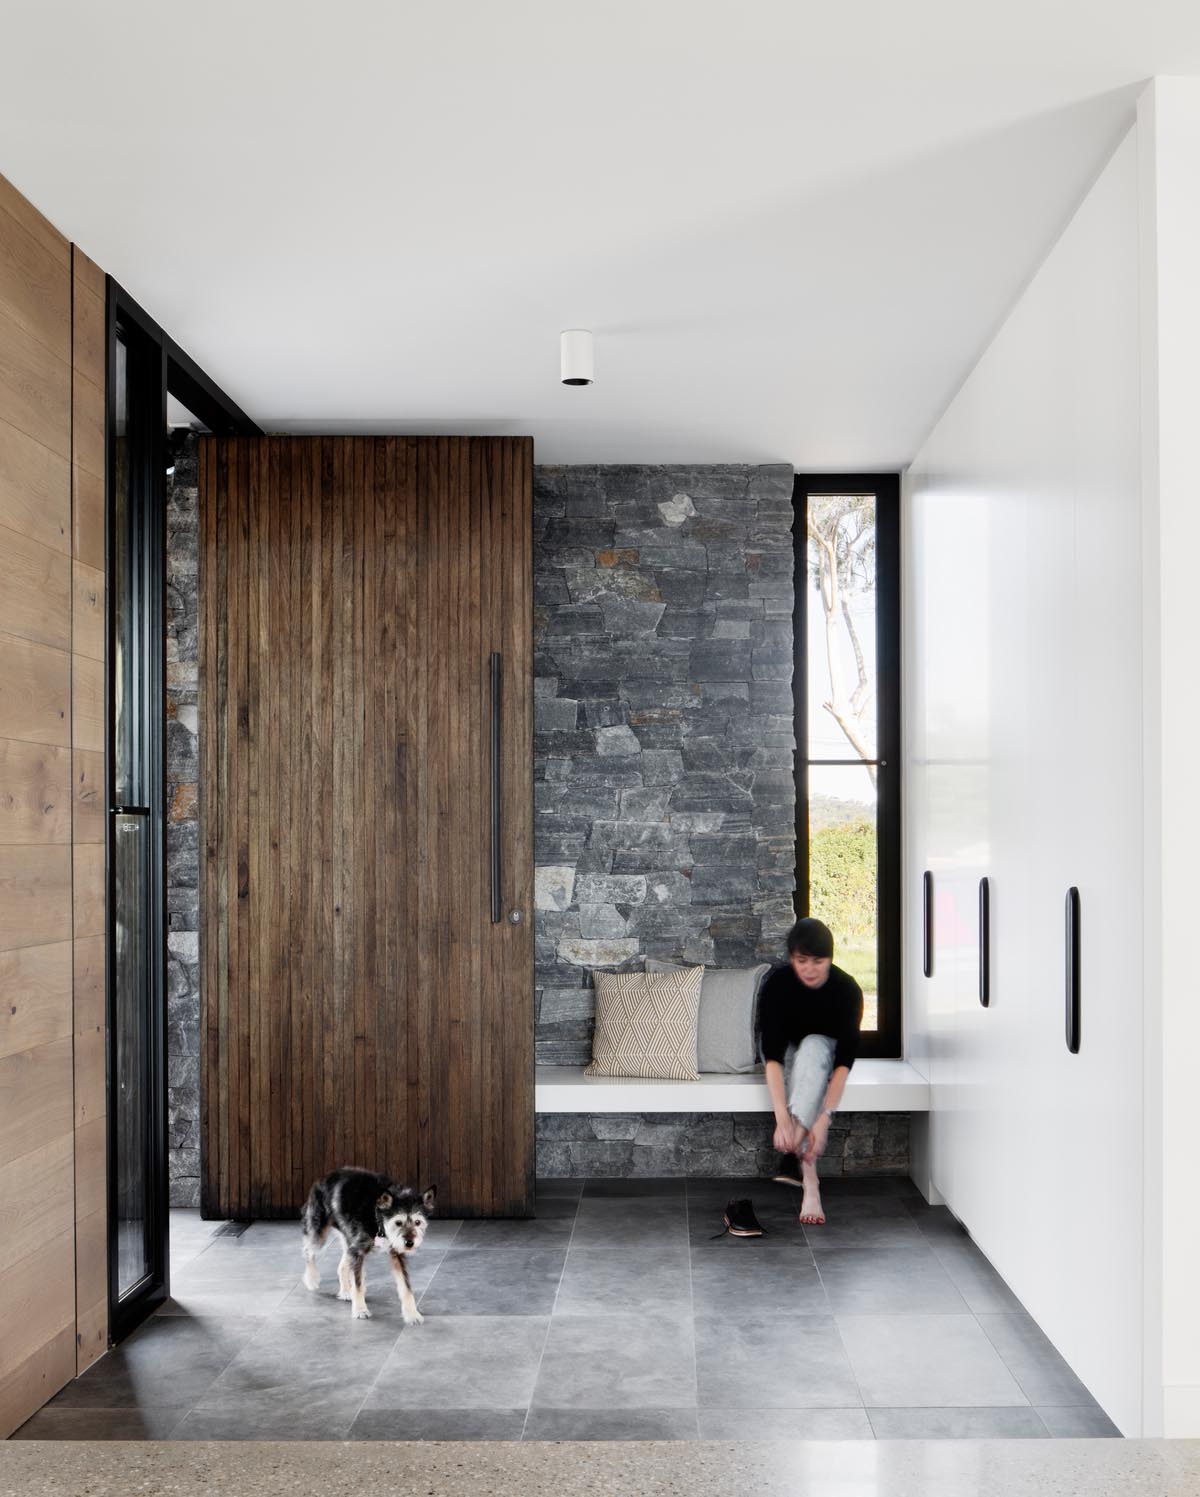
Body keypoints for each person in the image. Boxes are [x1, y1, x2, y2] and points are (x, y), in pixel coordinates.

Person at [756, 917, 864, 1226]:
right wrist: (781, 1119)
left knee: (813, 1049)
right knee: (800, 1064)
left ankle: (793, 1155)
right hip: (785, 1057)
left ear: (830, 959)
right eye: (802, 961)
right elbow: (773, 1058)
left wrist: (824, 1119)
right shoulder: (778, 984)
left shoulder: (847, 991)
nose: (810, 969)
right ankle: (810, 1181)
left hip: (821, 1055)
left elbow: (844, 1063)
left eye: (818, 961)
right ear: (792, 959)